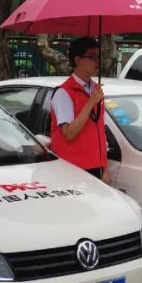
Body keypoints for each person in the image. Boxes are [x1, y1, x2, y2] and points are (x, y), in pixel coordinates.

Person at [49, 37, 107, 178]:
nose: (97, 61)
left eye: (98, 56)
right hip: (72, 170)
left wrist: (103, 166)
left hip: (95, 167)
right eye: (92, 57)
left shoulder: (95, 89)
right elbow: (69, 133)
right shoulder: (64, 93)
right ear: (78, 60)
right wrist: (90, 103)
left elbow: (100, 131)